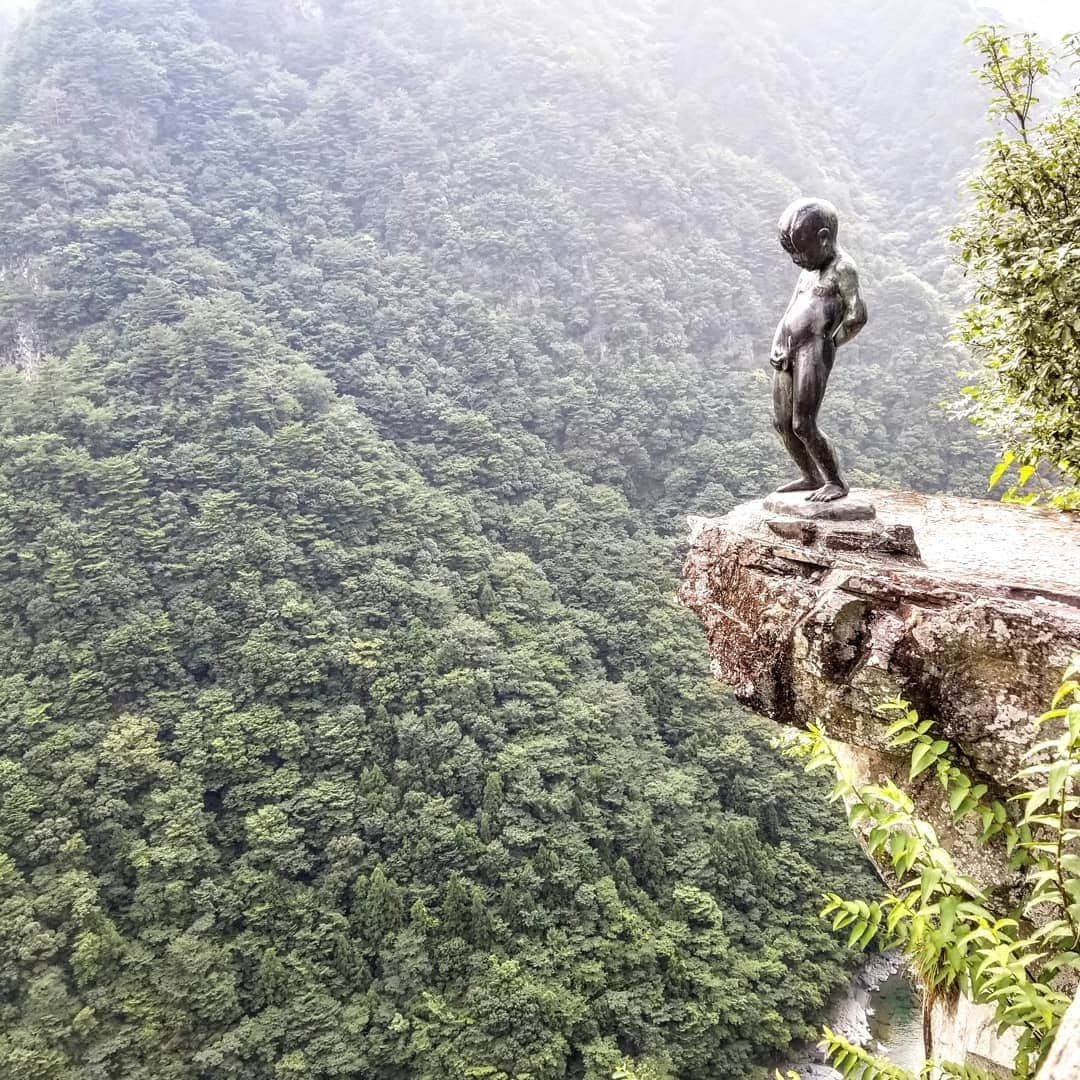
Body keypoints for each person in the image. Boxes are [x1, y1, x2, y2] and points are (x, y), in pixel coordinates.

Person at [769, 197, 867, 502]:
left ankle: (834, 481)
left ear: (823, 238)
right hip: (787, 349)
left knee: (803, 423)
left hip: (814, 351)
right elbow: (792, 309)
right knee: (781, 422)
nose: (797, 260)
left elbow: (857, 315)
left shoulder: (842, 269)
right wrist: (778, 340)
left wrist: (831, 343)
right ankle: (809, 476)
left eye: (801, 252)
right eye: (792, 254)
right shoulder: (808, 271)